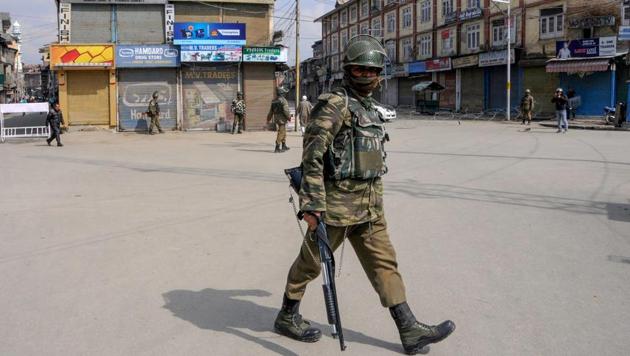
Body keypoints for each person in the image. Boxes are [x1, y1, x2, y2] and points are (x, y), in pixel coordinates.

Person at [273, 35, 455, 355]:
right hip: (336, 208)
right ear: (348, 70)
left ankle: (408, 328)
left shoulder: (369, 108)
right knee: (311, 263)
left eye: (373, 71)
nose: (367, 76)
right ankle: (287, 315)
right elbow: (312, 157)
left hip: (370, 207)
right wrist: (312, 205)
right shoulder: (334, 104)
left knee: (385, 264)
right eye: (360, 70)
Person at [266, 87, 291, 153]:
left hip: (276, 117)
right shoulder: (283, 100)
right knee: (281, 132)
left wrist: (268, 118)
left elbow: (271, 111)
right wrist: (289, 117)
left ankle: (284, 145)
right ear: (282, 94)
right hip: (282, 118)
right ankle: (277, 147)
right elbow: (286, 111)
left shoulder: (274, 101)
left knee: (283, 131)